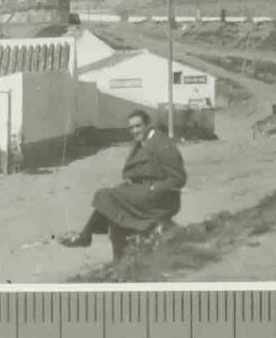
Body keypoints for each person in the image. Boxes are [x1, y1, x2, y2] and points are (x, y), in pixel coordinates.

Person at [59, 109, 187, 258]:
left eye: (138, 126)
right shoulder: (142, 143)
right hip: (142, 194)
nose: (134, 131)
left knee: (106, 196)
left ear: (148, 125)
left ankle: (86, 237)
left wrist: (152, 189)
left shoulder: (162, 144)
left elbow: (179, 178)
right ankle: (110, 254)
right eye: (131, 128)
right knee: (113, 208)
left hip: (160, 200)